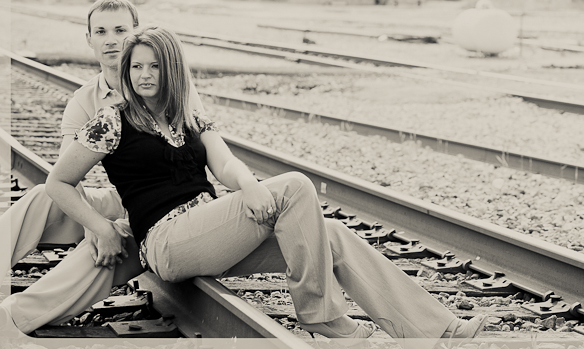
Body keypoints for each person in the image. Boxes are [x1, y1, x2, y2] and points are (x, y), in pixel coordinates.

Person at [44, 25, 487, 341]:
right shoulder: (112, 120)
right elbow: (59, 182)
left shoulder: (189, 116)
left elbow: (225, 163)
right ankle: (320, 315)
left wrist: (249, 184)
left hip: (211, 232)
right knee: (295, 186)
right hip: (167, 242)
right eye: (137, 66)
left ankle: (436, 329)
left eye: (155, 66)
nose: (144, 75)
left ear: (172, 69)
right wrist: (100, 226)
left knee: (332, 235)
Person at [1, 0, 201, 334]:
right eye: (101, 32)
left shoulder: (171, 88)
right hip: (120, 200)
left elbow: (198, 155)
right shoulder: (83, 101)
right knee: (44, 195)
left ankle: (14, 317)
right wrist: (95, 226)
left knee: (106, 246)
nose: (111, 40)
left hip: (163, 206)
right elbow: (66, 179)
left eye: (120, 30)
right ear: (89, 39)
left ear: (137, 33)